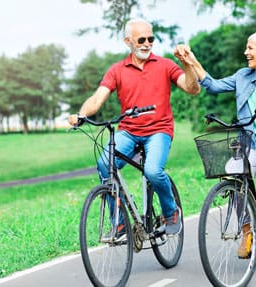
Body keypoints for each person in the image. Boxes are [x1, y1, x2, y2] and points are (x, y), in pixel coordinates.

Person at [174, 31, 256, 257]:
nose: (246, 52)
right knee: (235, 177)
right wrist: (191, 60)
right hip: (251, 139)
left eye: (250, 48)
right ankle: (248, 230)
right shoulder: (243, 76)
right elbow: (213, 85)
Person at [68, 18, 200, 235]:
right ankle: (119, 223)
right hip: (128, 131)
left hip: (159, 130)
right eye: (142, 39)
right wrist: (80, 115)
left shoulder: (165, 65)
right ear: (128, 41)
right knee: (104, 164)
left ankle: (170, 211)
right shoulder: (117, 70)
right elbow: (97, 98)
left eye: (151, 39)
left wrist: (186, 63)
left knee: (152, 171)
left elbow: (192, 88)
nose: (147, 43)